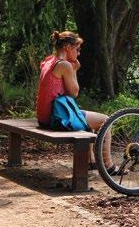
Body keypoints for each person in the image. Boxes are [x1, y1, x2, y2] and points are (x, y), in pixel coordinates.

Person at [35, 31, 122, 175]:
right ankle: (108, 166)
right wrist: (74, 69)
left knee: (88, 119)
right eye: (77, 49)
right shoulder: (65, 65)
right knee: (105, 120)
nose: (79, 53)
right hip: (55, 118)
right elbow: (74, 93)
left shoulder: (49, 60)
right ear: (68, 47)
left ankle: (91, 161)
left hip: (43, 116)